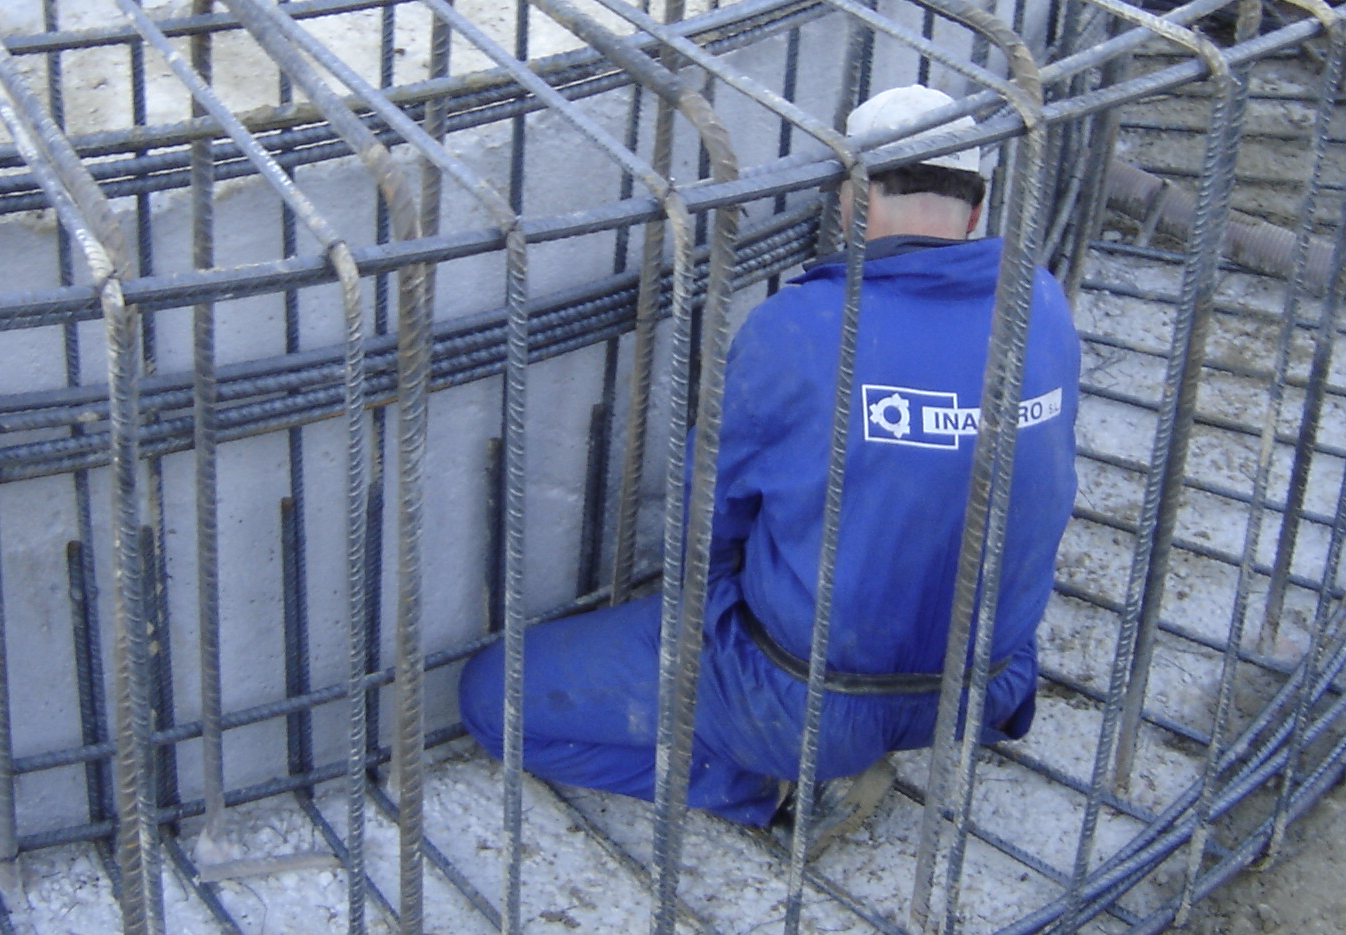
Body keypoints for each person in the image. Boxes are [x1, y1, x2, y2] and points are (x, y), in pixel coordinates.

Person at [457, 85, 1081, 835]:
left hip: (805, 699)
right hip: (984, 688)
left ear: (850, 201)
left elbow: (705, 529)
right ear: (978, 213)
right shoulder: (1042, 305)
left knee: (493, 697)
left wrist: (720, 635)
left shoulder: (804, 327)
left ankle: (770, 789)